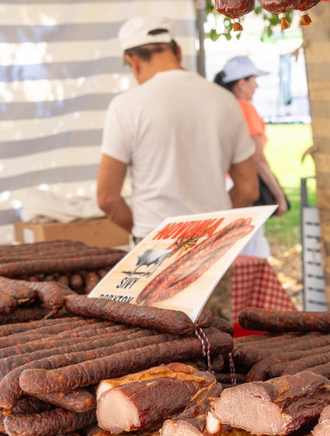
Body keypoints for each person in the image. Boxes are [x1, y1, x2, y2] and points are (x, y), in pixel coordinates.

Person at [97, 17, 259, 242]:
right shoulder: (226, 101)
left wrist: (146, 233)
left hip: (155, 244)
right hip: (214, 242)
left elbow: (107, 198)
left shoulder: (125, 107)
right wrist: (213, 227)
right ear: (178, 52)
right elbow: (248, 189)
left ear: (133, 62)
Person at [213, 56, 289, 260]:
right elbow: (257, 158)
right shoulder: (245, 109)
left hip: (220, 186)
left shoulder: (220, 108)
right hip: (242, 184)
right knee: (254, 252)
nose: (257, 86)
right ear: (241, 83)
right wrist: (279, 195)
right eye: (254, 80)